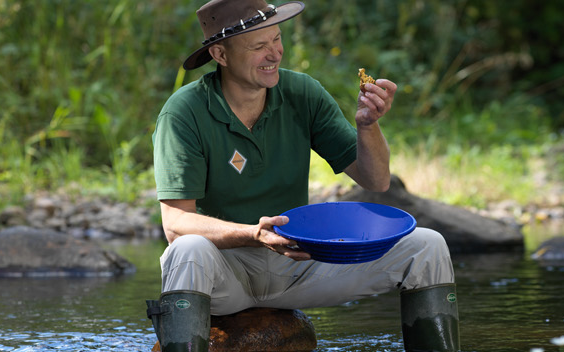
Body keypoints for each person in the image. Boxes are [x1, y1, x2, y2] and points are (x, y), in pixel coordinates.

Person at [146, 1, 458, 351]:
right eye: (258, 46)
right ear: (220, 53)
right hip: (222, 273)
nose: (274, 54)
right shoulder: (183, 112)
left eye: (277, 39)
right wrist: (254, 234)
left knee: (428, 246)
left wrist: (368, 126)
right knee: (187, 249)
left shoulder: (302, 93)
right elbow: (174, 224)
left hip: (296, 264)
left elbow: (377, 180)